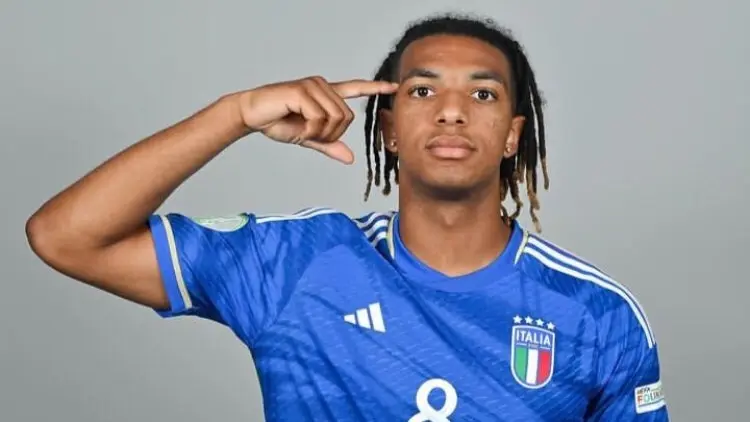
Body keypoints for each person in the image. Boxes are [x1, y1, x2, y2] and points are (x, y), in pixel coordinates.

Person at [25, 12, 668, 421]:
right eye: (422, 90)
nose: (451, 111)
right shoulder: (297, 262)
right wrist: (234, 114)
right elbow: (65, 237)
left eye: (482, 93)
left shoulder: (597, 313)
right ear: (387, 130)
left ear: (511, 136)